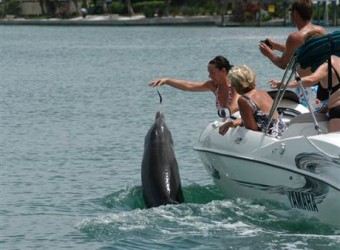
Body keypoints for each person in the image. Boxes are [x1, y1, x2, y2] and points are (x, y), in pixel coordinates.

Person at [149, 55, 239, 120]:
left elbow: (234, 107)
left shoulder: (236, 84)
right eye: (209, 73)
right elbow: (188, 85)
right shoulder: (213, 86)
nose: (209, 76)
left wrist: (223, 123)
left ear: (223, 71)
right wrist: (167, 81)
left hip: (243, 122)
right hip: (229, 123)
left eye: (212, 73)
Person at [270, 55, 340, 133]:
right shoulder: (338, 61)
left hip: (337, 111)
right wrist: (326, 109)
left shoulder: (326, 65)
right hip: (334, 108)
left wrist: (285, 84)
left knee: (335, 141)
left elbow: (311, 79)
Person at [219, 65, 287, 138]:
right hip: (282, 133)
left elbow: (252, 129)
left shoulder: (244, 99)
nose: (230, 85)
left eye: (232, 82)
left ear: (238, 84)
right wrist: (231, 123)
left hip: (269, 139)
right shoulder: (264, 93)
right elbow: (262, 120)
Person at [259, 0, 325, 71]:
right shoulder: (321, 30)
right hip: (321, 79)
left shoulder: (294, 37)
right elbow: (301, 50)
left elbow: (282, 64)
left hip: (305, 81)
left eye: (291, 11)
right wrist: (277, 46)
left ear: (295, 13)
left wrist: (268, 53)